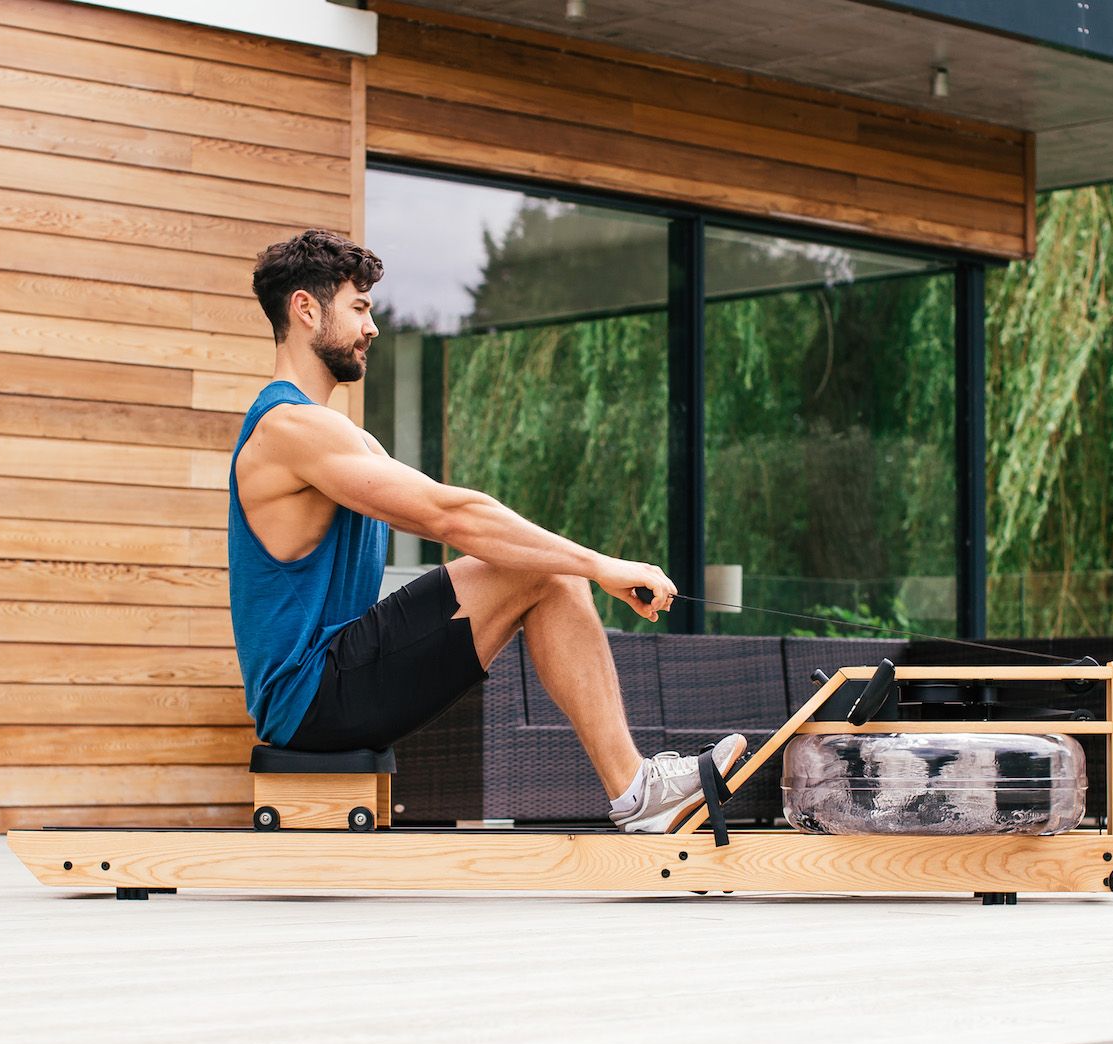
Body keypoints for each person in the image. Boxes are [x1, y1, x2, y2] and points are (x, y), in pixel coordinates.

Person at [229, 228, 745, 834]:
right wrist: (602, 565)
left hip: (335, 682)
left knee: (549, 573)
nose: (373, 328)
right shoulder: (289, 429)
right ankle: (638, 794)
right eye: (360, 308)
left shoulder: (346, 437)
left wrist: (581, 567)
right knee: (548, 569)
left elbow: (460, 515)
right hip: (310, 696)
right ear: (306, 308)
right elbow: (450, 516)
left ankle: (636, 791)